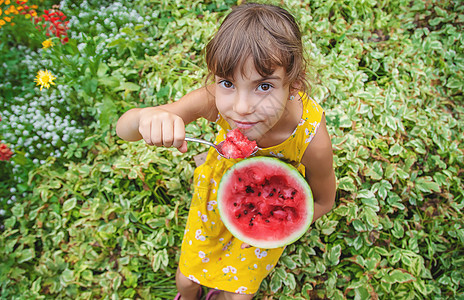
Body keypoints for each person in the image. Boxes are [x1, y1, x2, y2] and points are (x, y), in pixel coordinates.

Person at [116, 3, 336, 300]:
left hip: (269, 217)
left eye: (264, 86)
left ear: (294, 81)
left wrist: (274, 226)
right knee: (185, 281)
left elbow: (324, 201)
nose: (241, 108)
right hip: (214, 198)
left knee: (238, 297)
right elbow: (124, 128)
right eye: (228, 83)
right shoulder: (210, 101)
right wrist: (146, 119)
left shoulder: (311, 138)